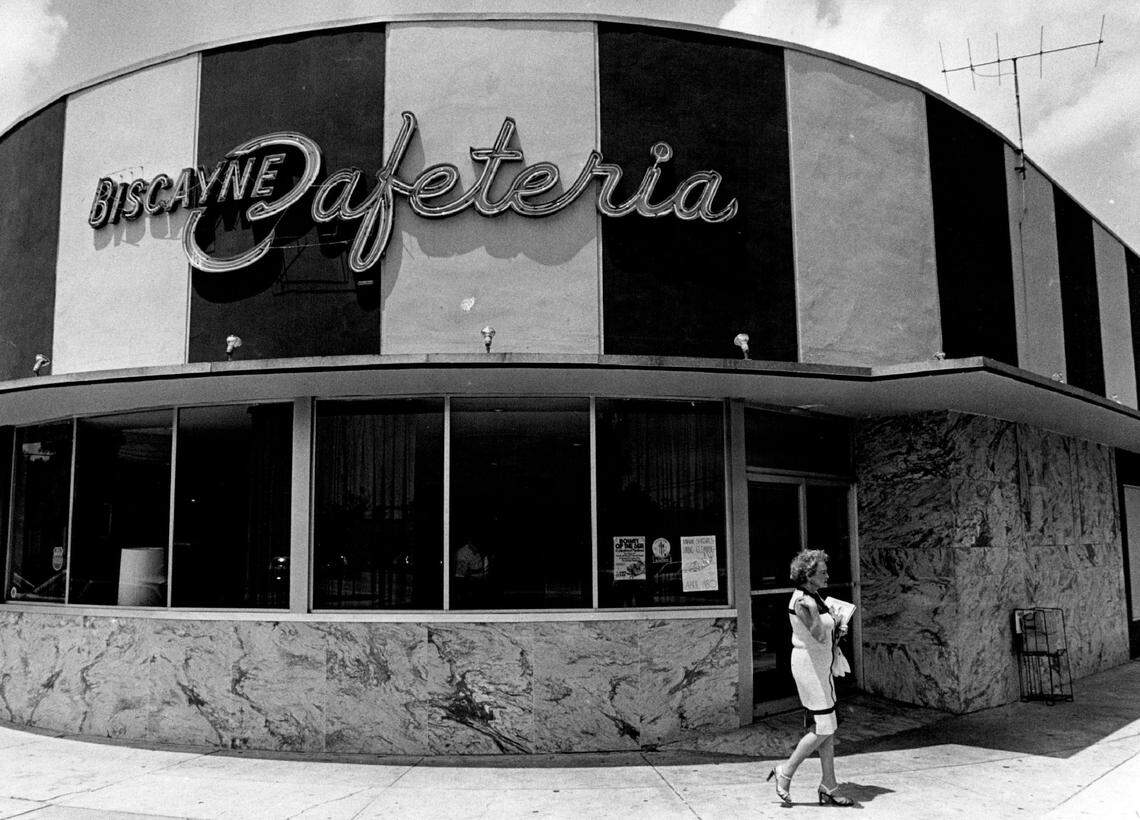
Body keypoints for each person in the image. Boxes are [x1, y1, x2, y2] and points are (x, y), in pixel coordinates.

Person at [767, 548, 854, 807]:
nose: (827, 576)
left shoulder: (814, 597)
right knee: (824, 727)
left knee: (827, 726)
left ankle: (829, 784)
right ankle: (785, 772)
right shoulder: (803, 601)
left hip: (820, 667)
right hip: (810, 669)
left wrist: (837, 624)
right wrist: (819, 614)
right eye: (822, 572)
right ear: (808, 575)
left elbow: (825, 633)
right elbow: (816, 633)